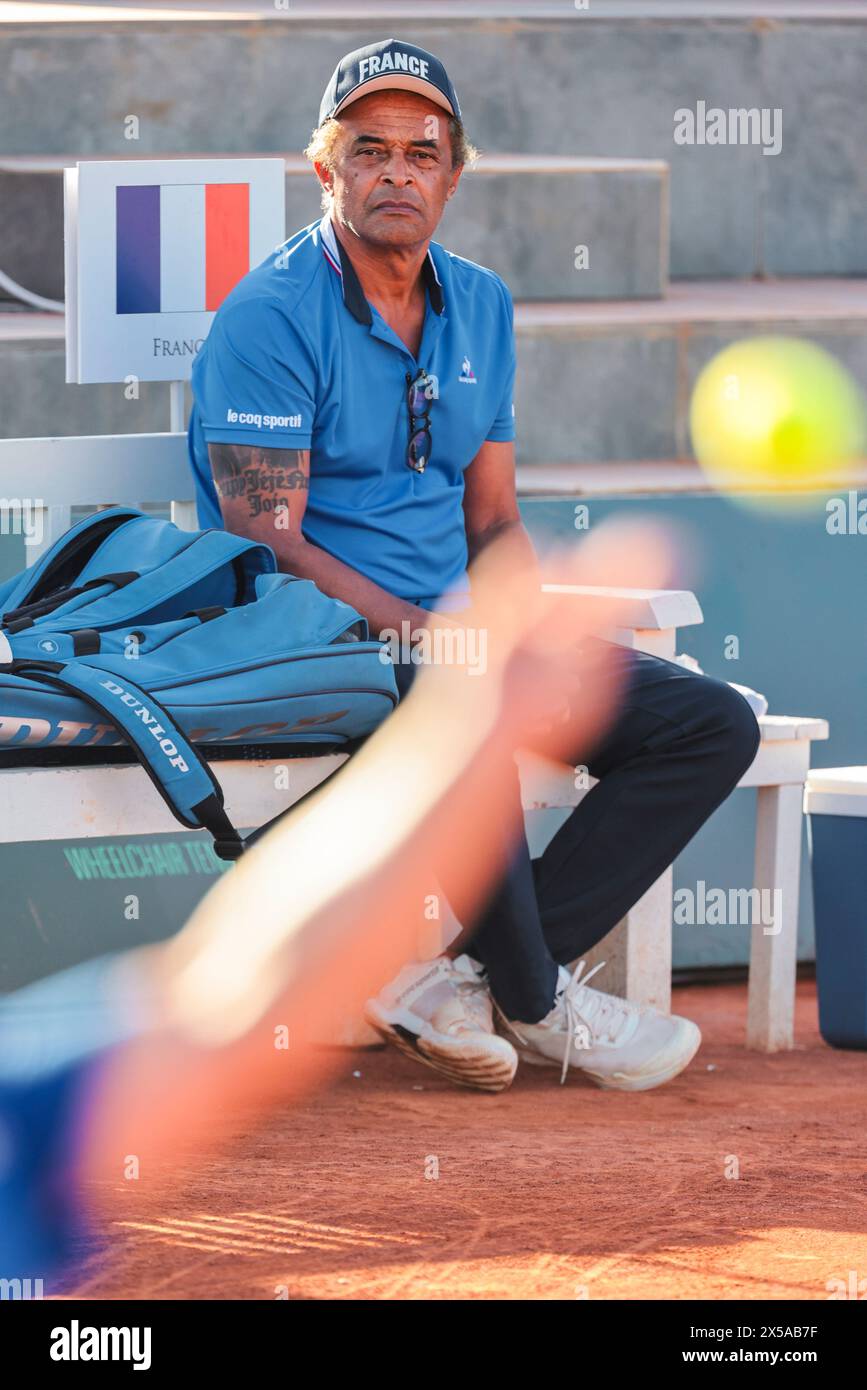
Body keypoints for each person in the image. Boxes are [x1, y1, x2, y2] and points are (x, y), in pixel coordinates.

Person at [186, 38, 761, 1094]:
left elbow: (493, 516)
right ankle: (540, 998)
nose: (397, 170)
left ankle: (456, 976)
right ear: (328, 170)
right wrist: (431, 631)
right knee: (474, 694)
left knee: (711, 720)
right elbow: (266, 537)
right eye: (370, 150)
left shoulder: (482, 305)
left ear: (452, 175)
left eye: (422, 151)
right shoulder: (269, 314)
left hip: (454, 638)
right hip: (322, 639)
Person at [0, 523, 663, 1284]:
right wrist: (478, 713)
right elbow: (242, 1006)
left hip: (416, 660)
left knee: (711, 721)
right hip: (387, 650)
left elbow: (240, 1005)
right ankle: (515, 990)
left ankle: (491, 985)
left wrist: (480, 705)